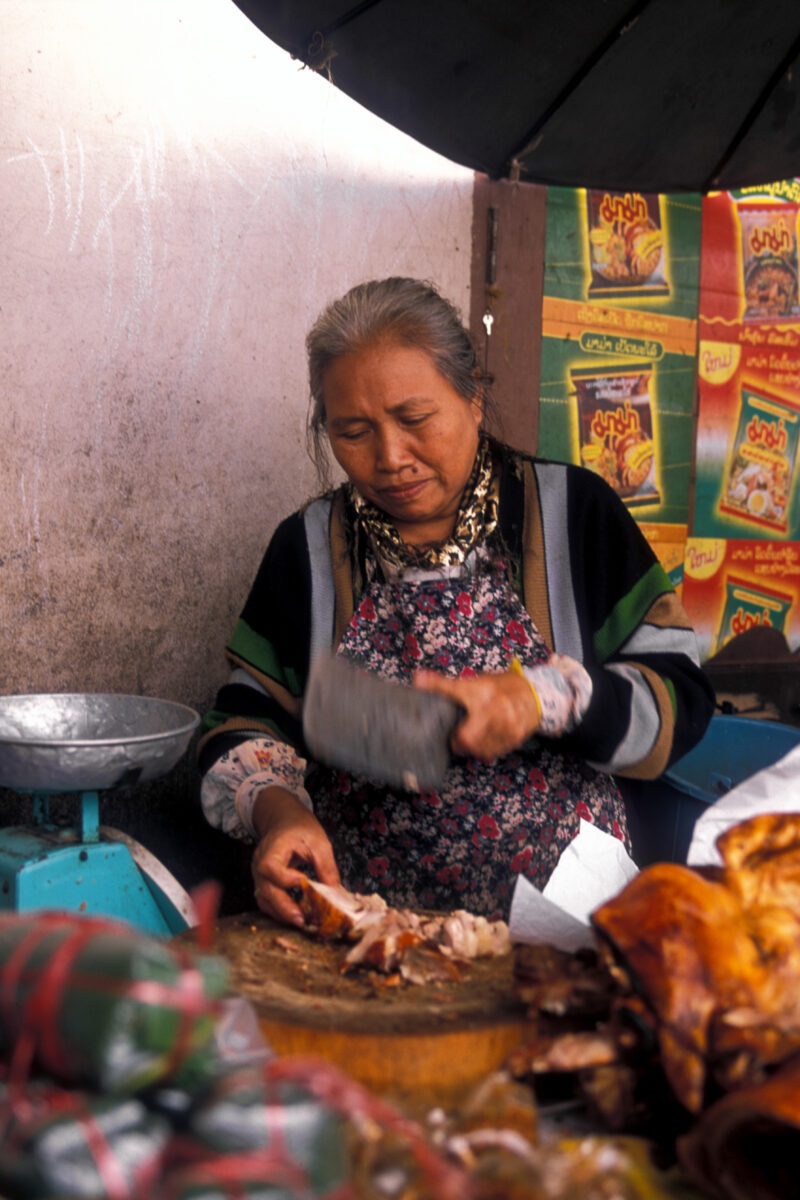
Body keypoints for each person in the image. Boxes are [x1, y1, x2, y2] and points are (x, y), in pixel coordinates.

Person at [199, 277, 714, 925]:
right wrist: (280, 812)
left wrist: (544, 698)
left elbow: (682, 699)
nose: (390, 458)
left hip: (568, 920)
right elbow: (238, 721)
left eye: (415, 420)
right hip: (365, 925)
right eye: (352, 431)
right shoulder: (306, 549)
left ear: (472, 398)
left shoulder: (574, 514)